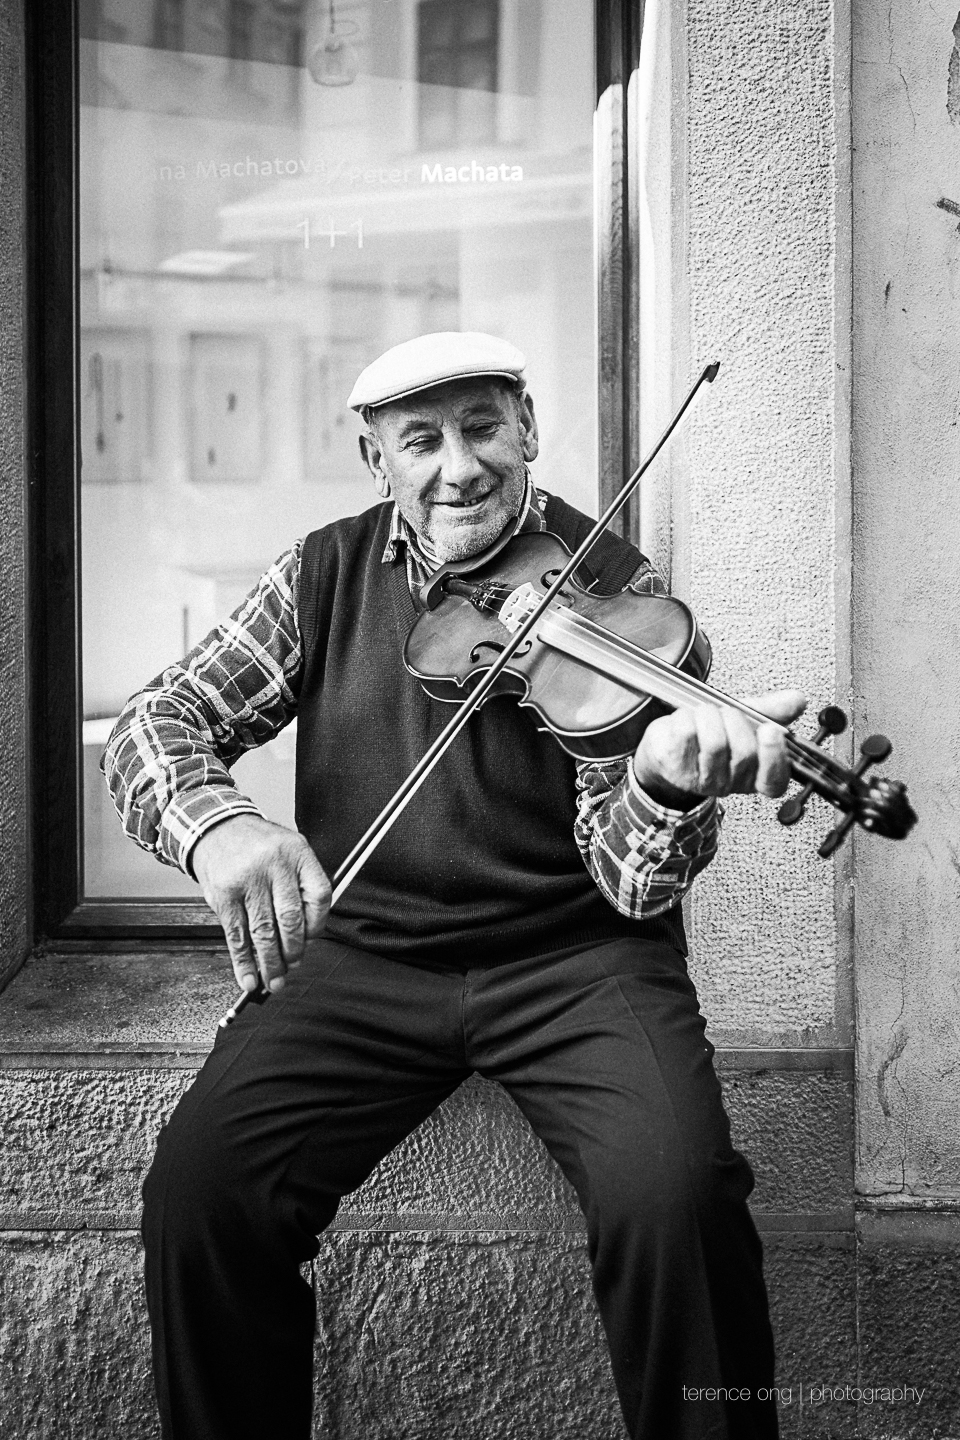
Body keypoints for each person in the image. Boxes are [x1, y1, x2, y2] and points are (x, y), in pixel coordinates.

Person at [104, 332, 805, 1440]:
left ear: (527, 427)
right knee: (201, 1196)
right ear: (373, 457)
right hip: (364, 960)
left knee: (680, 1199)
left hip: (575, 964)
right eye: (420, 441)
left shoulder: (615, 586)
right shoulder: (323, 573)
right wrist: (218, 828)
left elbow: (630, 888)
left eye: (483, 428)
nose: (459, 467)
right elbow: (156, 722)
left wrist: (665, 790)